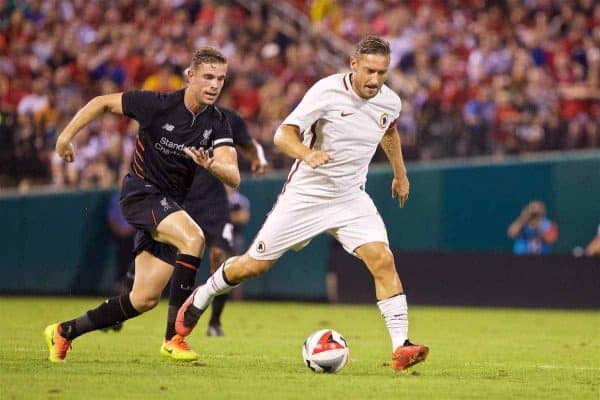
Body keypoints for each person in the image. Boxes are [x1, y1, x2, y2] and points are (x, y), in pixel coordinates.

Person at [176, 36, 429, 372]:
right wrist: (308, 154)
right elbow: (283, 134)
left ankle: (401, 347)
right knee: (254, 265)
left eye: (382, 72)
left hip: (351, 196)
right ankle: (204, 293)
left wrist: (400, 174)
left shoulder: (389, 102)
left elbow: (390, 132)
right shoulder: (326, 92)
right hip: (306, 196)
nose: (375, 79)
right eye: (369, 70)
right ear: (353, 64)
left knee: (383, 259)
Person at [44, 47, 240, 363]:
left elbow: (233, 177)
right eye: (208, 77)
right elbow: (102, 102)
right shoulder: (157, 105)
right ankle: (174, 338)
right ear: (190, 76)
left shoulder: (218, 123)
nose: (215, 85)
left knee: (144, 299)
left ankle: (64, 331)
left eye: (220, 78)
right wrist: (65, 138)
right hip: (142, 194)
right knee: (195, 238)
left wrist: (211, 165)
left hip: (169, 207)